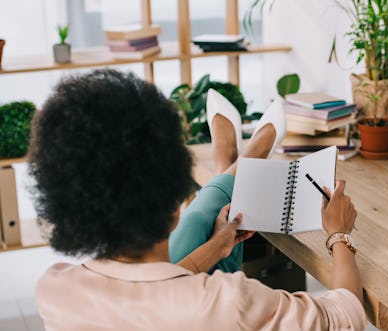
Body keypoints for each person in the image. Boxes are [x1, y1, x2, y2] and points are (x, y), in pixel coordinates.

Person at [32, 69, 367, 331]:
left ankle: (236, 161)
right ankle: (245, 158)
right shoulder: (225, 302)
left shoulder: (57, 290)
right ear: (175, 205)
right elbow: (345, 316)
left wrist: (217, 247)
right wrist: (339, 235)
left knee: (211, 230)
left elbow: (147, 298)